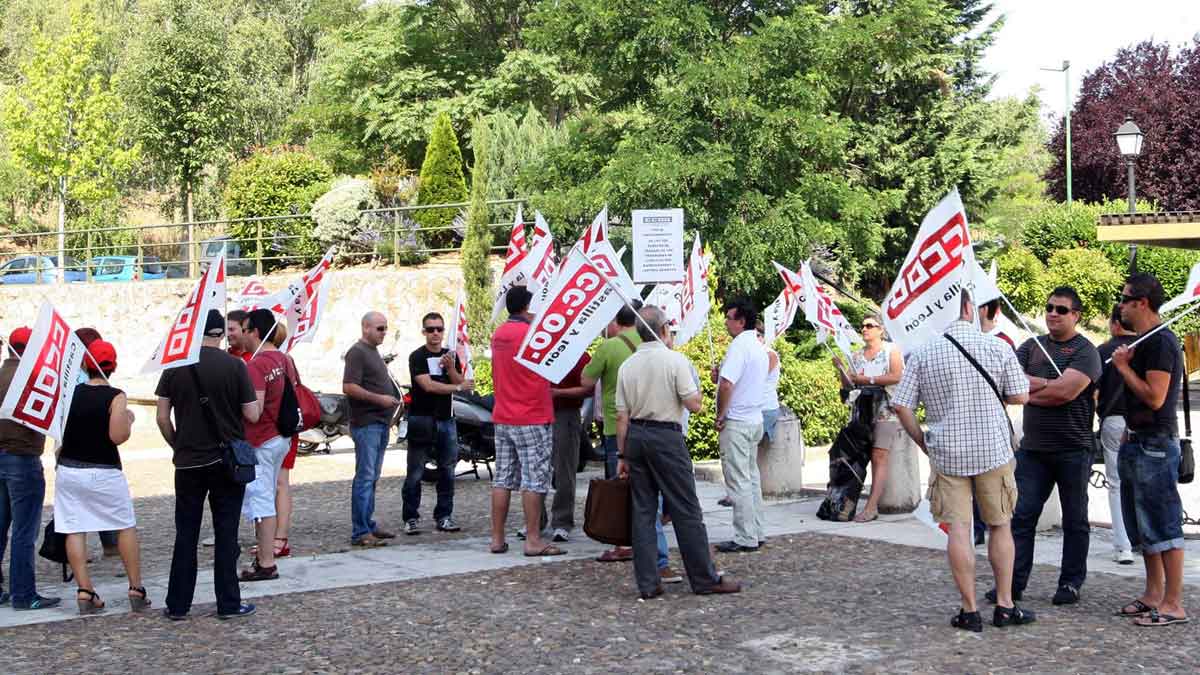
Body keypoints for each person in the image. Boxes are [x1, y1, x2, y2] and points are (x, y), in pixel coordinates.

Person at [892, 290, 1035, 632]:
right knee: (1001, 526)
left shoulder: (924, 352)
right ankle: (1004, 605)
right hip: (993, 450)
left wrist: (923, 441)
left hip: (947, 452)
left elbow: (901, 405)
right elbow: (1020, 395)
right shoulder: (997, 346)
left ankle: (969, 611)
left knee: (959, 530)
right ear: (971, 308)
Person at [616, 305, 741, 599]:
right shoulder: (674, 361)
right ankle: (704, 578)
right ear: (664, 331)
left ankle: (648, 583)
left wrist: (622, 456)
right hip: (665, 437)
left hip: (636, 435)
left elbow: (621, 416)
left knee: (643, 512)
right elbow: (694, 404)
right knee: (686, 509)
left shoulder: (628, 365)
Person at [998, 287, 1100, 607]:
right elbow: (1008, 384)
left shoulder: (1086, 351)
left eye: (1062, 309)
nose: (1053, 313)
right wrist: (1046, 386)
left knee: (1075, 520)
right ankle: (1012, 584)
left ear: (1076, 316)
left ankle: (1070, 583)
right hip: (1034, 450)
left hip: (1074, 448)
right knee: (1022, 516)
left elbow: (1066, 393)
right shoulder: (1031, 346)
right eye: (1050, 307)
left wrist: (1033, 388)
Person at [156, 309, 260, 620]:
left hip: (188, 462)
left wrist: (178, 443)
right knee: (226, 533)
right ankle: (228, 603)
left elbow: (162, 417)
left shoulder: (174, 366)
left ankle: (177, 605)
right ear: (220, 334)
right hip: (226, 460)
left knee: (185, 533)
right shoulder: (235, 365)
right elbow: (252, 414)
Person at [1112, 273, 1189, 627]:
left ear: (1141, 303)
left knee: (1163, 523)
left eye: (1124, 298)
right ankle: (1153, 594)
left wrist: (1124, 368)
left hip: (1156, 444)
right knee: (1143, 525)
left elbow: (1156, 397)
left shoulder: (1160, 343)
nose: (1120, 305)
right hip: (1139, 439)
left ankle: (1173, 603)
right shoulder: (1146, 340)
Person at [55, 340, 150, 614]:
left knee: (74, 527)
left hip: (70, 468)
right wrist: (129, 420)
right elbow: (117, 436)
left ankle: (85, 591)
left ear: (86, 365)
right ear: (114, 367)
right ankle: (135, 588)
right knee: (124, 525)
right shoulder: (116, 396)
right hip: (104, 470)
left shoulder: (69, 393)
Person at [488, 287, 564, 557]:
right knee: (534, 480)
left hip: (504, 414)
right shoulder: (532, 335)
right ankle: (533, 539)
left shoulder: (499, 334)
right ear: (526, 307)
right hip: (532, 414)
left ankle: (497, 538)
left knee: (503, 478)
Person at [239, 309, 302, 581]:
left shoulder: (257, 364)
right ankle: (265, 557)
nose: (241, 333)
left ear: (255, 332)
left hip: (262, 439)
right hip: (281, 437)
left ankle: (266, 562)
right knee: (269, 496)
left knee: (261, 500)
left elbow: (254, 411)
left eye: (244, 328)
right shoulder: (283, 359)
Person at [0, 327, 58, 611]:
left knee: (0, 527)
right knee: (24, 531)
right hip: (22, 458)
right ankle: (23, 594)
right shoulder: (32, 380)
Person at [832, 314, 905, 523]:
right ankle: (849, 502)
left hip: (885, 407)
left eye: (869, 326)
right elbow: (848, 385)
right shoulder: (856, 356)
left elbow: (897, 375)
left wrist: (868, 379)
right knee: (860, 454)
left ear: (880, 330)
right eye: (862, 326)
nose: (864, 329)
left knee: (879, 455)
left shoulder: (892, 350)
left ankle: (872, 506)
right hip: (862, 408)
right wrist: (840, 369)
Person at [404, 311, 469, 535]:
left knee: (447, 470)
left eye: (439, 329)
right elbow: (428, 386)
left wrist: (451, 369)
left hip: (446, 419)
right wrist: (458, 388)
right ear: (424, 332)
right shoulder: (417, 357)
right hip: (422, 419)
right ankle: (411, 517)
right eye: (430, 329)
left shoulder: (450, 355)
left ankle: (444, 516)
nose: (435, 333)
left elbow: (460, 380)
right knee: (415, 472)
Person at [712, 298, 769, 553]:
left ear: (741, 321)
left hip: (737, 420)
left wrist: (720, 414)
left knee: (738, 480)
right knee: (752, 478)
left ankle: (745, 536)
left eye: (729, 318)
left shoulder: (739, 347)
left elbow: (727, 384)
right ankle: (757, 530)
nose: (726, 322)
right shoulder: (757, 346)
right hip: (754, 418)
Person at [343, 311, 401, 547]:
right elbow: (349, 386)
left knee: (372, 477)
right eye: (379, 328)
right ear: (365, 327)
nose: (383, 332)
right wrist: (380, 400)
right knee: (365, 477)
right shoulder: (357, 352)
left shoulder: (372, 351)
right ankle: (360, 531)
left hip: (379, 423)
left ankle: (367, 523)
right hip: (367, 423)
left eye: (385, 328)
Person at [1096, 304, 1137, 565]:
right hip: (1144, 422)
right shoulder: (1147, 346)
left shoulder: (1103, 351)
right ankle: (1149, 541)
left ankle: (1123, 546)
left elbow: (1093, 391)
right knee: (1144, 483)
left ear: (1114, 323)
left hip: (1113, 421)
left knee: (1115, 484)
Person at [75, 327, 120, 560]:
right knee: (106, 500)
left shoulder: (67, 370)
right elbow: (118, 435)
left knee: (76, 502)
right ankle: (111, 544)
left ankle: (79, 551)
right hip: (100, 449)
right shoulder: (113, 393)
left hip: (72, 450)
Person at [253, 321, 296, 559]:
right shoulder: (283, 359)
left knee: (273, 488)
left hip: (273, 431)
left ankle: (272, 546)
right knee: (278, 485)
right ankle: (274, 541)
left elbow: (255, 409)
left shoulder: (262, 362)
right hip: (284, 429)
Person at [547, 352, 591, 542]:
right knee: (535, 469)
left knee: (565, 469)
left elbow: (588, 388)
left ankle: (562, 521)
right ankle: (536, 520)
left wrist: (559, 393)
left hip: (565, 412)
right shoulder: (539, 349)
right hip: (539, 411)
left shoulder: (578, 355)